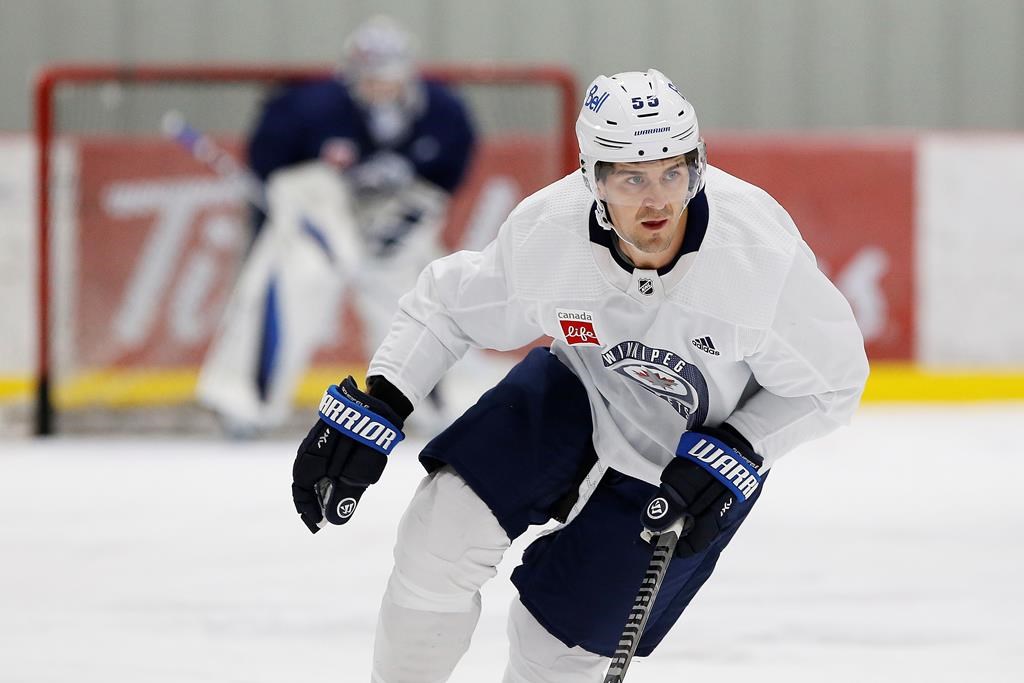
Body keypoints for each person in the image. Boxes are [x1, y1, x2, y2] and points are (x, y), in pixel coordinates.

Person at [291, 69, 869, 681]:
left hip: (688, 456)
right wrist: (380, 403)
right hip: (576, 391)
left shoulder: (754, 256)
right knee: (437, 539)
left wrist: (741, 448)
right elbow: (446, 306)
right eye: (631, 177)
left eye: (674, 172)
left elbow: (834, 381)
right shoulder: (551, 233)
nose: (658, 202)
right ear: (592, 177)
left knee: (556, 650)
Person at [196, 15, 476, 436]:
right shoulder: (308, 109)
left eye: (388, 75)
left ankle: (444, 404)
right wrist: (317, 210)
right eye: (369, 76)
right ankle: (245, 400)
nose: (379, 85)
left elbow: (443, 180)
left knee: (419, 293)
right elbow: (273, 171)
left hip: (393, 219)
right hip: (322, 212)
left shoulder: (443, 112)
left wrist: (398, 214)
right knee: (298, 278)